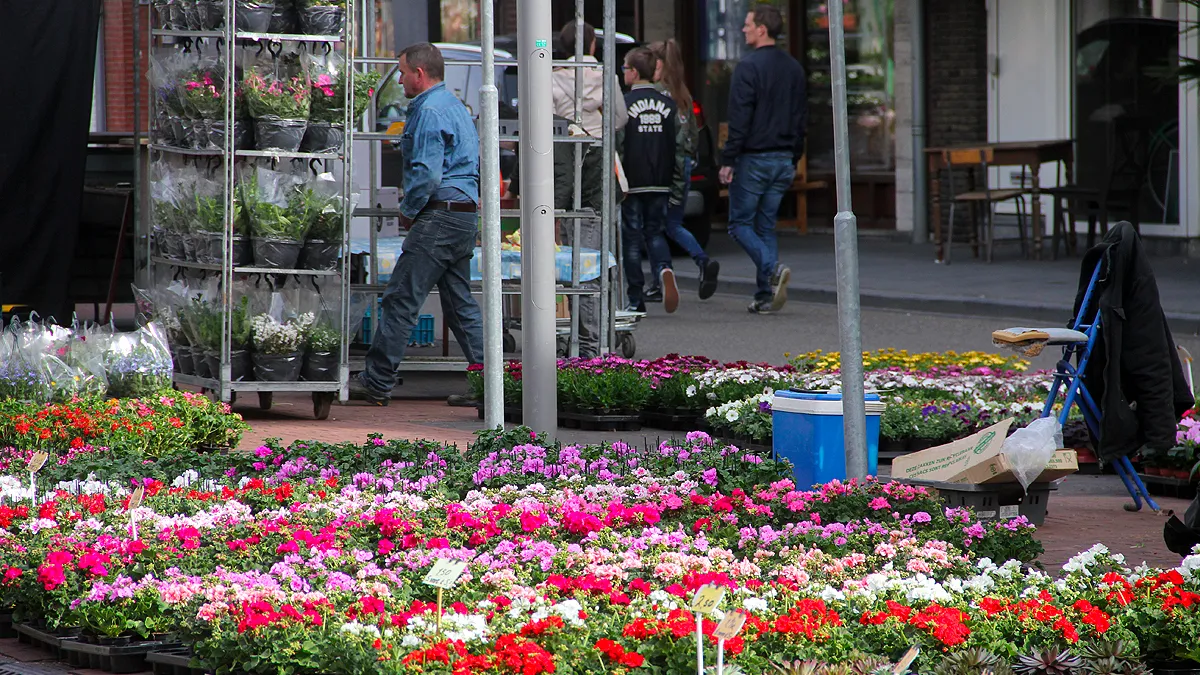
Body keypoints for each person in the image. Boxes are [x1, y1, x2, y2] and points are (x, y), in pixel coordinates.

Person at [350, 43, 484, 407]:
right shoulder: (455, 105)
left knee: (400, 299)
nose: (401, 78)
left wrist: (408, 209)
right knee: (460, 305)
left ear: (419, 74)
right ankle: (493, 387)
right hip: (462, 214)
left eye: (402, 72)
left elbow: (425, 173)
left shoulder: (428, 111)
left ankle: (377, 381)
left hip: (439, 215)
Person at [720, 4, 807, 314]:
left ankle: (772, 270)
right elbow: (800, 118)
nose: (743, 29)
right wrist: (795, 155)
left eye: (747, 25)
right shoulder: (794, 68)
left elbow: (739, 119)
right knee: (765, 226)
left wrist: (728, 159)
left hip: (754, 158)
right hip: (784, 159)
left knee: (739, 224)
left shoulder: (748, 67)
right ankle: (764, 295)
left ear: (762, 29)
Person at [550, 20, 627, 356]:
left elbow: (547, 126)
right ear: (593, 46)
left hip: (566, 173)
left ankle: (581, 337)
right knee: (597, 260)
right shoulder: (607, 77)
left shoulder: (550, 77)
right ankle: (595, 345)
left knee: (572, 260)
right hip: (599, 173)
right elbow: (620, 118)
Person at [649, 39, 720, 300]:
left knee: (656, 227)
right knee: (674, 223)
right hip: (686, 165)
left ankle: (662, 278)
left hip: (665, 167)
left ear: (656, 64)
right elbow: (694, 133)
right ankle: (701, 262)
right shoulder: (684, 94)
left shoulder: (655, 93)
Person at [619, 46, 678, 314]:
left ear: (633, 72)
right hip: (661, 180)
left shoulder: (625, 105)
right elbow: (679, 143)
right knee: (655, 231)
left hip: (632, 182)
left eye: (624, 68)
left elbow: (618, 145)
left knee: (631, 239)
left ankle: (635, 298)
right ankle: (664, 267)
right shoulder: (668, 104)